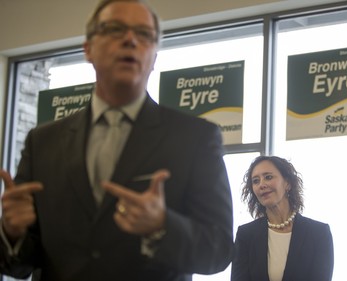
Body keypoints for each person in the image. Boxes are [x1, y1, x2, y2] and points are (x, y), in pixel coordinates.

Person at [0, 0, 233, 280]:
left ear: (154, 56)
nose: (130, 40)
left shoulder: (195, 138)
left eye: (144, 34)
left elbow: (218, 251)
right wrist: (12, 232)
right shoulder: (42, 143)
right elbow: (19, 265)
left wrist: (161, 225)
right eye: (114, 29)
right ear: (88, 49)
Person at [231, 155, 334, 281]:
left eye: (268, 177)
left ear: (287, 183)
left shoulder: (318, 233)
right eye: (256, 181)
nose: (261, 185)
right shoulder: (246, 235)